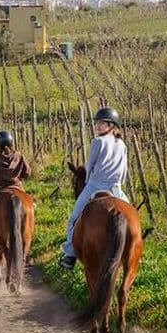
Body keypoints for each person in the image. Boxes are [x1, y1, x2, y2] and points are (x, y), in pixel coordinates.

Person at [58, 107, 128, 270]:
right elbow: (124, 169)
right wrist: (120, 183)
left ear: (111, 125)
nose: (97, 126)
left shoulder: (97, 142)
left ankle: (70, 255)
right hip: (116, 187)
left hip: (95, 185)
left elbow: (90, 165)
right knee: (132, 217)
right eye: (97, 123)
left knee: (74, 219)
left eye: (101, 123)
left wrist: (88, 182)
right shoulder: (122, 144)